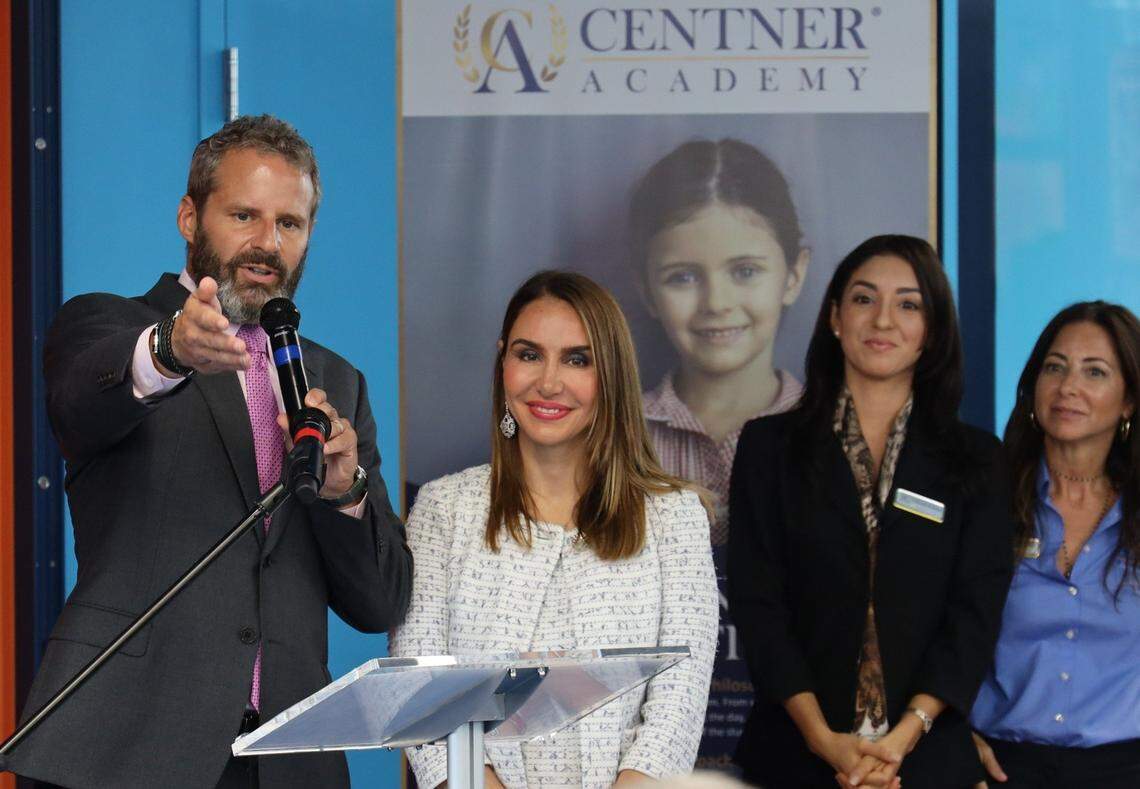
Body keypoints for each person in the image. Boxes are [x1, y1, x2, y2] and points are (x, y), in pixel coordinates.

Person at [8, 115, 412, 788]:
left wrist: (345, 489)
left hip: (285, 763)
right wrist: (169, 350)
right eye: (244, 214)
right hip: (126, 749)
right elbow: (81, 397)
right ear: (189, 216)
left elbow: (378, 601)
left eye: (291, 222)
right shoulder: (112, 325)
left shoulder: (335, 381)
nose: (267, 243)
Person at [390, 270, 719, 789]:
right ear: (503, 363)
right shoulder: (442, 510)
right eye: (528, 355)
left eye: (577, 359)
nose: (548, 382)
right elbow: (424, 694)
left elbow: (677, 704)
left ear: (610, 373)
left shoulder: (675, 516)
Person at [727, 235, 1015, 788]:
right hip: (796, 757)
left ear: (930, 331)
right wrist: (823, 741)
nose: (884, 320)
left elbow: (974, 616)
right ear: (835, 317)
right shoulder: (769, 447)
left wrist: (902, 740)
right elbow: (759, 605)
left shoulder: (977, 460)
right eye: (864, 299)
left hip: (926, 763)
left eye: (908, 304)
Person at [970, 302, 1140, 788]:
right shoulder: (983, 500)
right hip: (999, 769)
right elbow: (926, 634)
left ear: (1128, 401)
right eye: (1055, 367)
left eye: (1095, 372)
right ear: (1033, 386)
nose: (1069, 387)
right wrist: (949, 735)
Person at [630, 138, 810, 545]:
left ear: (794, 275)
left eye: (745, 271)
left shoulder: (835, 435)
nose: (717, 303)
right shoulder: (612, 441)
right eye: (683, 277)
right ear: (646, 292)